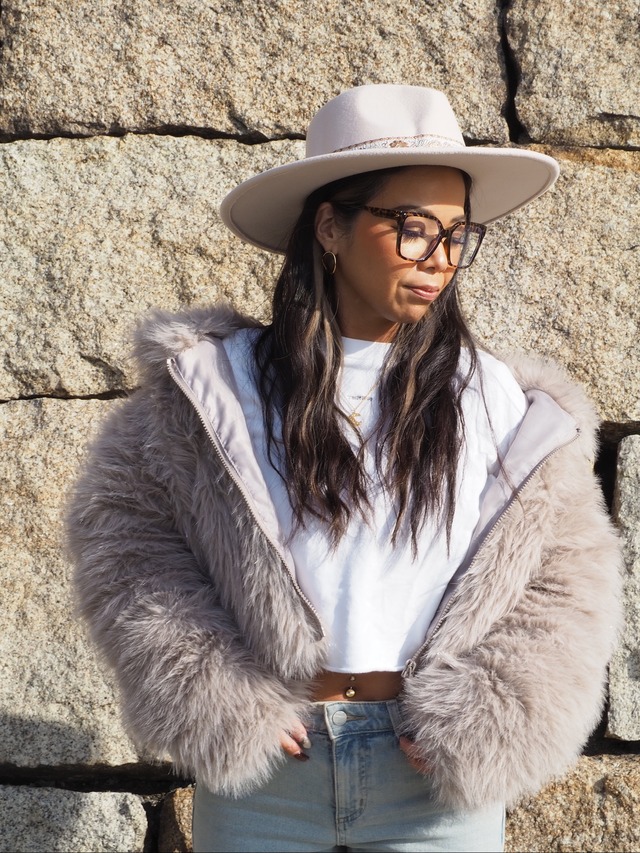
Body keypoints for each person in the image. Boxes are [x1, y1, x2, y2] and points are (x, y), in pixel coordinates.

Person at [66, 85, 622, 853]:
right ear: (331, 226)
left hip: (429, 781)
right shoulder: (214, 387)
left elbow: (569, 581)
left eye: (458, 233)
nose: (440, 257)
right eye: (413, 227)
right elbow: (126, 542)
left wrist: (487, 714)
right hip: (267, 777)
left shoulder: (499, 401)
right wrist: (218, 694)